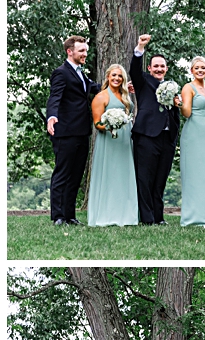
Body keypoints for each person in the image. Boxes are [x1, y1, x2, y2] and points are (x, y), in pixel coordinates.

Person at [46, 35, 98, 225]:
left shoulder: (80, 73)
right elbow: (55, 97)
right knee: (62, 174)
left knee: (76, 175)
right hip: (65, 132)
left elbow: (95, 87)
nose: (85, 53)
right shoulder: (61, 73)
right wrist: (51, 116)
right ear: (70, 51)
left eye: (85, 50)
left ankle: (70, 215)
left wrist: (120, 87)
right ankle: (58, 216)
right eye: (82, 50)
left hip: (82, 131)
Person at [129, 35, 179, 225]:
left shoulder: (172, 86)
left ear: (166, 68)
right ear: (149, 68)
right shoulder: (142, 81)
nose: (159, 69)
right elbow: (134, 68)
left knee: (160, 180)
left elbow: (175, 111)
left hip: (167, 138)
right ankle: (148, 219)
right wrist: (140, 47)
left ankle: (159, 217)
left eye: (162, 66)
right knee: (145, 179)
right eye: (155, 66)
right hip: (146, 137)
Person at [86, 63, 137, 226]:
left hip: (124, 141)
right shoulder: (101, 96)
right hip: (108, 141)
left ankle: (126, 215)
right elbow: (97, 123)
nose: (116, 78)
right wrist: (111, 125)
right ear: (107, 77)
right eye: (113, 75)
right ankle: (106, 214)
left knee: (123, 175)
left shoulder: (126, 96)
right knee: (110, 174)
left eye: (120, 76)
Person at [178, 56, 205, 226]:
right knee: (194, 174)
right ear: (192, 71)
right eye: (197, 68)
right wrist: (179, 104)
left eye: (203, 67)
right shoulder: (188, 87)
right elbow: (187, 113)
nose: (200, 70)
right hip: (193, 134)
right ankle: (192, 216)